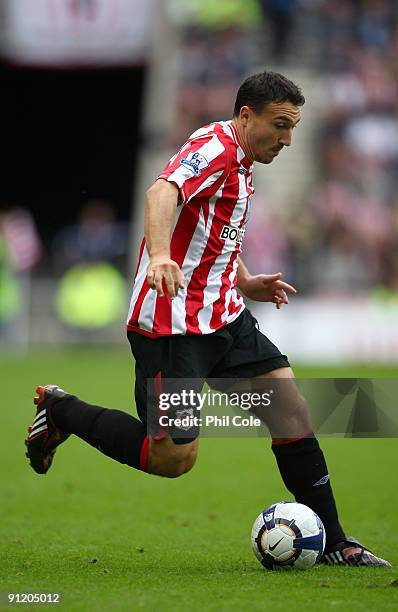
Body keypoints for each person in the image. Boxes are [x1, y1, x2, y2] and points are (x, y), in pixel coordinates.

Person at [25, 71, 390, 567]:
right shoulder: (215, 148)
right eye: (280, 125)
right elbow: (162, 193)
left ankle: (336, 543)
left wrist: (242, 280)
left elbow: (211, 229)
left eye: (294, 128)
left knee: (292, 413)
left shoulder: (244, 161)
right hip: (173, 326)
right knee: (173, 459)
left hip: (224, 318)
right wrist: (158, 256)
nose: (287, 139)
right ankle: (62, 410)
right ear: (246, 115)